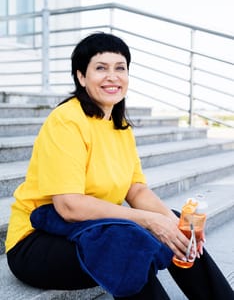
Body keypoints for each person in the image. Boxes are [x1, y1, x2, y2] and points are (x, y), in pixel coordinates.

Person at [5, 32, 233, 300]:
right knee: (127, 248)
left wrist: (175, 224)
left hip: (90, 229)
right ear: (81, 77)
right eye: (100, 68)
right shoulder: (66, 121)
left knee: (178, 227)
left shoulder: (119, 126)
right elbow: (69, 206)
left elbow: (135, 190)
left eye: (120, 68)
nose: (112, 76)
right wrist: (151, 221)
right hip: (39, 241)